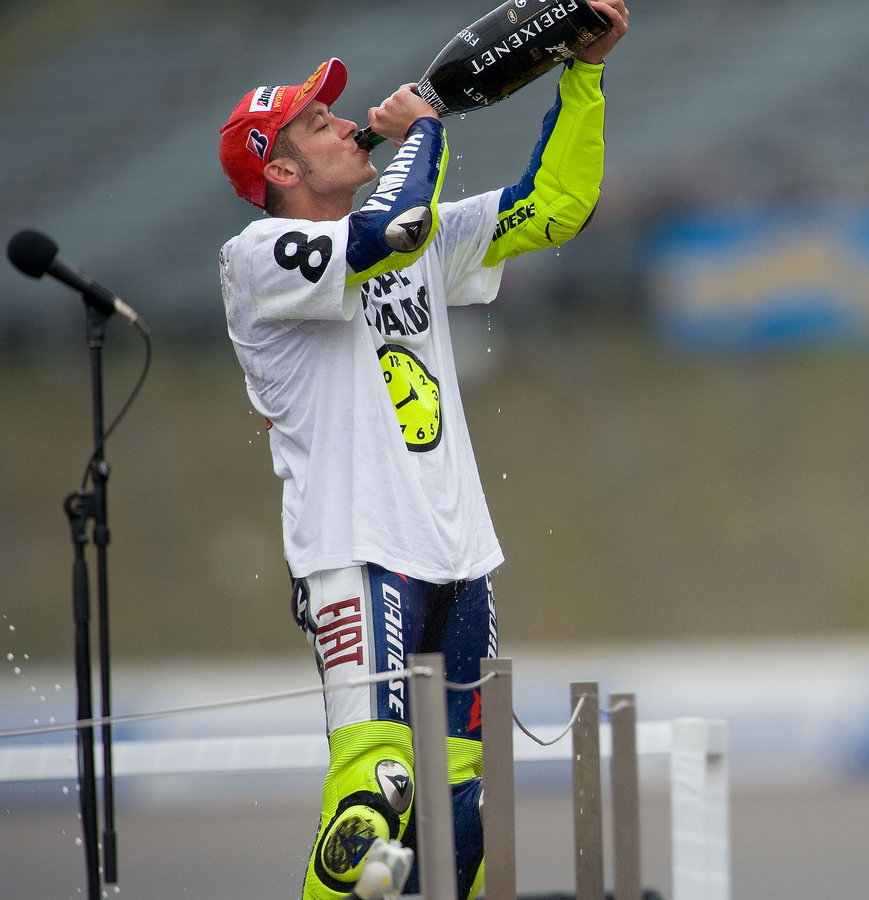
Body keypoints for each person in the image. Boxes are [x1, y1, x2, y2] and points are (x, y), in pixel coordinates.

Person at [215, 2, 628, 897]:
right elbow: (382, 234)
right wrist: (426, 127)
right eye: (317, 123)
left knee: (462, 822)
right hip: (358, 552)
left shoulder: (422, 232)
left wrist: (583, 72)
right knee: (375, 794)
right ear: (281, 167)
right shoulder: (257, 254)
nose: (342, 119)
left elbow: (555, 208)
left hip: (456, 555)